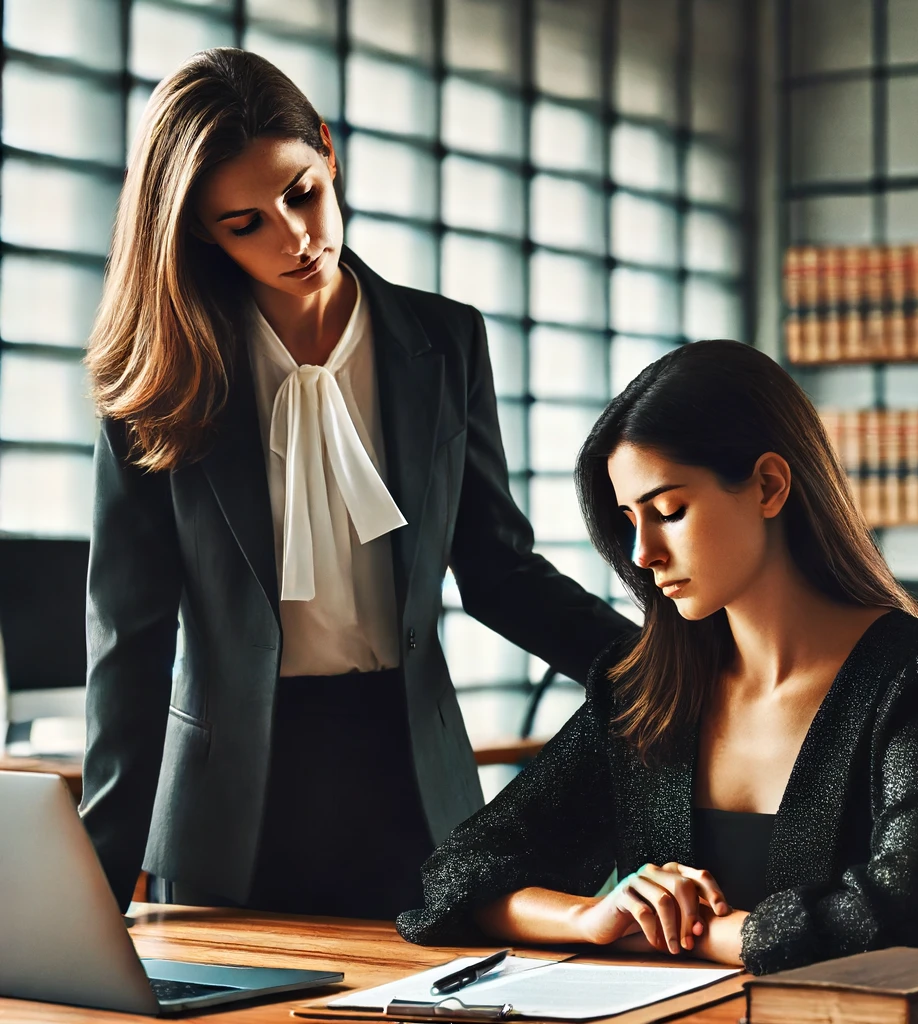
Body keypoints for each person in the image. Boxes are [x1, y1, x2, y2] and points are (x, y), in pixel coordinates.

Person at [79, 47, 635, 920]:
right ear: (198, 232)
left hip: (414, 787)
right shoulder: (158, 382)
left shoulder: (445, 344)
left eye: (301, 192)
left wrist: (651, 671)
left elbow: (499, 570)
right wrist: (94, 894)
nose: (296, 238)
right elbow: (130, 643)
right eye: (244, 223)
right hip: (232, 814)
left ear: (328, 153)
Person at [396, 339, 918, 975]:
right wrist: (593, 918)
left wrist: (712, 935)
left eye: (668, 511)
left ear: (768, 485)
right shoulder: (643, 690)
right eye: (628, 519)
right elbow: (454, 879)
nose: (641, 552)